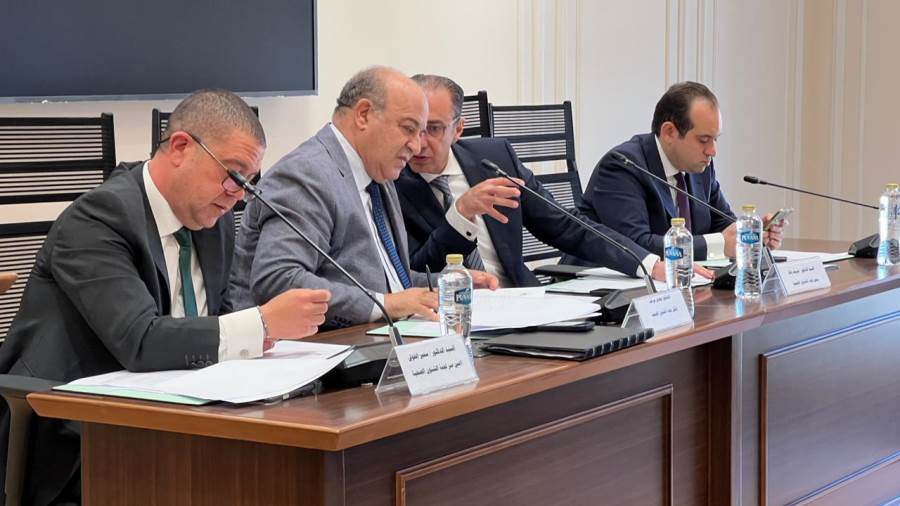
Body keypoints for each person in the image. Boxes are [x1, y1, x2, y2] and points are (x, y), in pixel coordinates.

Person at [0, 89, 330, 505]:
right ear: (180, 147)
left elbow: (220, 321)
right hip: (78, 441)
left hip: (179, 420)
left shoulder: (212, 220)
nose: (238, 196)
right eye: (234, 175)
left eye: (249, 184)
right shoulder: (97, 219)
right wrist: (261, 322)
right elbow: (140, 341)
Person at [229, 67, 497, 328]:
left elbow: (388, 283)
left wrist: (445, 285)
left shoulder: (378, 174)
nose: (416, 146)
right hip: (314, 347)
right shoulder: (306, 175)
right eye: (408, 129)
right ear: (364, 115)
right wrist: (385, 304)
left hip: (375, 339)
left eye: (423, 132)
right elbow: (279, 280)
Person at [396, 74, 685, 286]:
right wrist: (460, 215)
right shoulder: (392, 182)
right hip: (451, 313)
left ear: (458, 129)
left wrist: (647, 263)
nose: (419, 142)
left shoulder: (494, 160)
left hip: (522, 301)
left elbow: (566, 225)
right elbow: (412, 273)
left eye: (433, 129)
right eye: (411, 128)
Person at [573, 81, 785, 262]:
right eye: (703, 140)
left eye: (715, 139)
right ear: (669, 132)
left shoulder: (700, 167)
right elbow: (636, 246)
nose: (712, 151)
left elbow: (722, 223)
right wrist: (720, 245)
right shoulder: (623, 167)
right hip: (600, 287)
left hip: (678, 283)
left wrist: (752, 234)